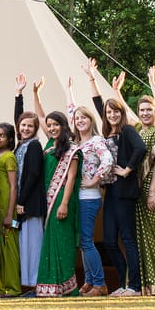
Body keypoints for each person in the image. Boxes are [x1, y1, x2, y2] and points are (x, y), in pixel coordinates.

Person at [86, 65, 146, 297]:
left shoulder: (127, 131)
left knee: (128, 238)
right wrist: (92, 78)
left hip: (125, 192)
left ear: (121, 114)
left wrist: (128, 169)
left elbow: (140, 148)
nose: (111, 115)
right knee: (109, 240)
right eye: (109, 113)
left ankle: (135, 286)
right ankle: (122, 282)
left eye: (116, 112)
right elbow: (99, 105)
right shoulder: (106, 132)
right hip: (110, 191)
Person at [33, 78, 81, 297]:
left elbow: (70, 179)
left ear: (64, 126)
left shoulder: (71, 149)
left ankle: (65, 284)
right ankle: (50, 285)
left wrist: (63, 204)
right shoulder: (49, 145)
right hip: (47, 198)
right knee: (49, 240)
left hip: (63, 199)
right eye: (49, 125)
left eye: (55, 125)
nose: (51, 128)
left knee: (62, 240)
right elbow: (40, 117)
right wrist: (35, 94)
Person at [68, 77, 115, 297]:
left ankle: (99, 283)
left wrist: (95, 179)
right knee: (82, 241)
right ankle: (88, 281)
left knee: (87, 240)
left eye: (83, 117)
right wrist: (69, 92)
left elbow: (107, 161)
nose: (79, 121)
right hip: (78, 196)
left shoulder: (97, 141)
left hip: (89, 196)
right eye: (77, 118)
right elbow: (71, 112)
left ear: (91, 120)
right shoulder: (77, 143)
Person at [134, 69, 155, 296]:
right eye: (142, 110)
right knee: (142, 238)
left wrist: (153, 191)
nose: (145, 113)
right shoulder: (137, 131)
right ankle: (147, 285)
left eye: (149, 110)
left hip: (152, 188)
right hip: (137, 191)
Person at [12, 74, 46, 295]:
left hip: (31, 203)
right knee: (24, 245)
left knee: (33, 245)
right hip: (23, 203)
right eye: (23, 125)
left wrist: (21, 201)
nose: (25, 128)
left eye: (29, 126)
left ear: (35, 128)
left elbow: (33, 174)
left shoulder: (34, 146)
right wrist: (19, 95)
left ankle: (35, 284)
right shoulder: (21, 145)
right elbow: (17, 119)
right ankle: (28, 284)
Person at [0, 120, 21, 296]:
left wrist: (10, 213)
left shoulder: (9, 156)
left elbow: (13, 186)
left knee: (9, 249)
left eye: (2, 136)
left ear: (10, 140)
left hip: (6, 207)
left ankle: (13, 287)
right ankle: (0, 287)